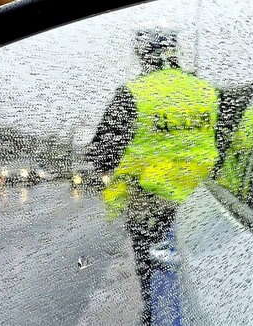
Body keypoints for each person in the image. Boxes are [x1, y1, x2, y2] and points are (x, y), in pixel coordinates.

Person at [85, 26, 219, 325]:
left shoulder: (134, 93)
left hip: (150, 208)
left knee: (157, 284)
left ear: (143, 54)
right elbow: (221, 148)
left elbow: (101, 156)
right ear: (174, 52)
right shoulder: (207, 92)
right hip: (203, 206)